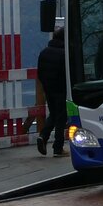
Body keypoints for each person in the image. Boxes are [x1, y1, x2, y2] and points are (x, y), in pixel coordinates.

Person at [36, 27, 68, 157]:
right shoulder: (64, 54)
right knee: (61, 117)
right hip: (61, 89)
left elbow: (40, 73)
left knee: (54, 114)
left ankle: (43, 136)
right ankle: (58, 148)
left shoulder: (44, 52)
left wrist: (46, 85)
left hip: (48, 89)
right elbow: (66, 74)